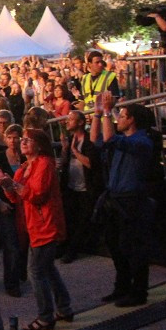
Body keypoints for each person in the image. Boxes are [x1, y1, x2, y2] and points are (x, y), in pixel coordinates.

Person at [0, 129, 72, 330]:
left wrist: (13, 184)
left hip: (46, 224)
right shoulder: (24, 167)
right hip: (33, 225)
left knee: (36, 270)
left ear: (40, 145)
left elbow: (37, 195)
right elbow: (15, 199)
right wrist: (6, 185)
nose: (23, 142)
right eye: (22, 139)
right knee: (47, 268)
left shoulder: (44, 164)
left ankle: (46, 316)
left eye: (28, 139)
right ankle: (64, 308)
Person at [91, 92, 156, 307]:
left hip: (132, 200)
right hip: (115, 198)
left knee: (133, 248)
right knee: (116, 246)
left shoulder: (142, 141)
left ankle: (138, 292)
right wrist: (98, 114)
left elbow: (108, 138)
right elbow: (96, 140)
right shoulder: (124, 140)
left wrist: (109, 111)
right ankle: (122, 287)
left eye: (123, 115)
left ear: (132, 120)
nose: (119, 119)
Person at [0, 124, 26, 296]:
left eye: (16, 137)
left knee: (24, 243)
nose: (13, 141)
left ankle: (21, 272)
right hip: (6, 205)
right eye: (9, 137)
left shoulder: (26, 157)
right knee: (11, 245)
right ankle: (11, 282)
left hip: (25, 205)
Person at [58, 111, 101, 264]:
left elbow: (91, 163)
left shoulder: (89, 140)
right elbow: (65, 162)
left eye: (71, 119)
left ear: (81, 122)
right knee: (70, 219)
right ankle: (65, 247)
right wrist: (65, 149)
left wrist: (75, 151)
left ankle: (73, 251)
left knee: (82, 221)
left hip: (86, 188)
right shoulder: (70, 140)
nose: (67, 122)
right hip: (71, 186)